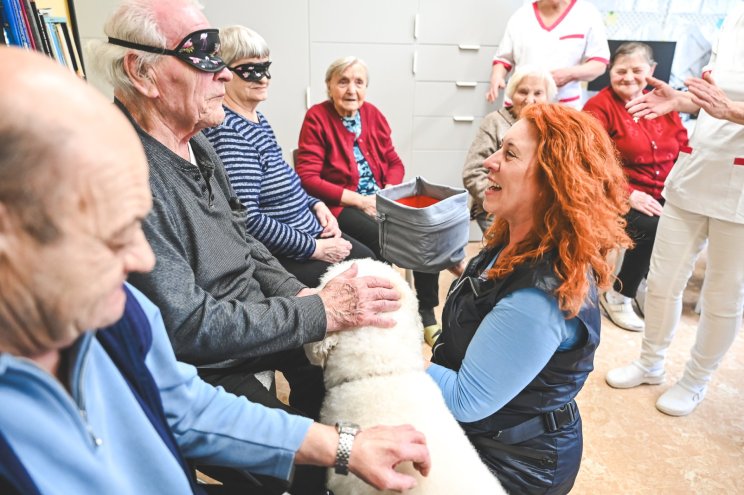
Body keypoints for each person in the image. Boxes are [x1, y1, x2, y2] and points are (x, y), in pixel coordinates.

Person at [0, 46, 431, 495]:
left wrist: (344, 446)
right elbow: (192, 331)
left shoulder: (120, 314)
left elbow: (186, 406)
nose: (142, 260)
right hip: (223, 347)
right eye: (108, 233)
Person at [89, 2, 399, 492]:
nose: (224, 75)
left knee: (350, 374)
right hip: (202, 369)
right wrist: (315, 312)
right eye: (204, 56)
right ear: (142, 73)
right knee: (320, 473)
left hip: (249, 322)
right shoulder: (125, 175)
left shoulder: (198, 140)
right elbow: (189, 330)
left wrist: (301, 298)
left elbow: (246, 239)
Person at [428, 103, 631, 494]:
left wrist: (392, 353)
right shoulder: (514, 237)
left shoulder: (539, 296)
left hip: (514, 464)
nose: (489, 161)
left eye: (510, 153)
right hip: (494, 435)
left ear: (554, 180)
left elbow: (465, 400)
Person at [605, 5, 744, 417]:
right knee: (663, 281)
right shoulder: (734, 17)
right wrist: (682, 101)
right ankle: (650, 363)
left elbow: (729, 106)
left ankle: (695, 379)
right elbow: (718, 97)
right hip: (696, 167)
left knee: (722, 296)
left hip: (738, 190)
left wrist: (731, 113)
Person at [203, 26, 374, 288]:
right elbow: (248, 219)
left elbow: (286, 181)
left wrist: (316, 205)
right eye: (250, 71)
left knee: (375, 259)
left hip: (309, 229)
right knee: (373, 270)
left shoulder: (257, 119)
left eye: (265, 68)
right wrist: (315, 248)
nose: (263, 79)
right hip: (288, 254)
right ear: (224, 74)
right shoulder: (230, 134)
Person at [296, 56, 444, 345]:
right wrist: (361, 201)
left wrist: (387, 190)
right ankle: (393, 315)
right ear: (329, 86)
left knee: (426, 232)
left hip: (380, 200)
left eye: (358, 82)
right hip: (341, 205)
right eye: (343, 81)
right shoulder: (317, 117)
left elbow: (393, 160)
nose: (351, 89)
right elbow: (308, 177)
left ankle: (426, 312)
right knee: (384, 240)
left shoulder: (373, 115)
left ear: (366, 87)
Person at [583, 42, 688, 332]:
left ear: (651, 71)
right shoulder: (598, 107)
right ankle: (619, 294)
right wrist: (628, 194)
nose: (628, 77)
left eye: (637, 70)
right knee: (653, 225)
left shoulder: (664, 103)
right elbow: (590, 161)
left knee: (686, 220)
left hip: (663, 191)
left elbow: (683, 146)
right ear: (610, 71)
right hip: (610, 193)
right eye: (621, 70)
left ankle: (647, 284)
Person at [463, 66, 556, 232]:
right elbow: (472, 173)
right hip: (497, 210)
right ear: (511, 93)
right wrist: (506, 202)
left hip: (537, 210)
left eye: (538, 93)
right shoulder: (494, 122)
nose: (529, 100)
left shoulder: (552, 128)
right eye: (523, 91)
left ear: (547, 97)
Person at [486, 0, 609, 109]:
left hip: (562, 106)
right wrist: (497, 77)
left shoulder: (587, 14)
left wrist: (570, 74)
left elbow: (599, 63)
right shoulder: (521, 16)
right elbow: (503, 59)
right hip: (520, 104)